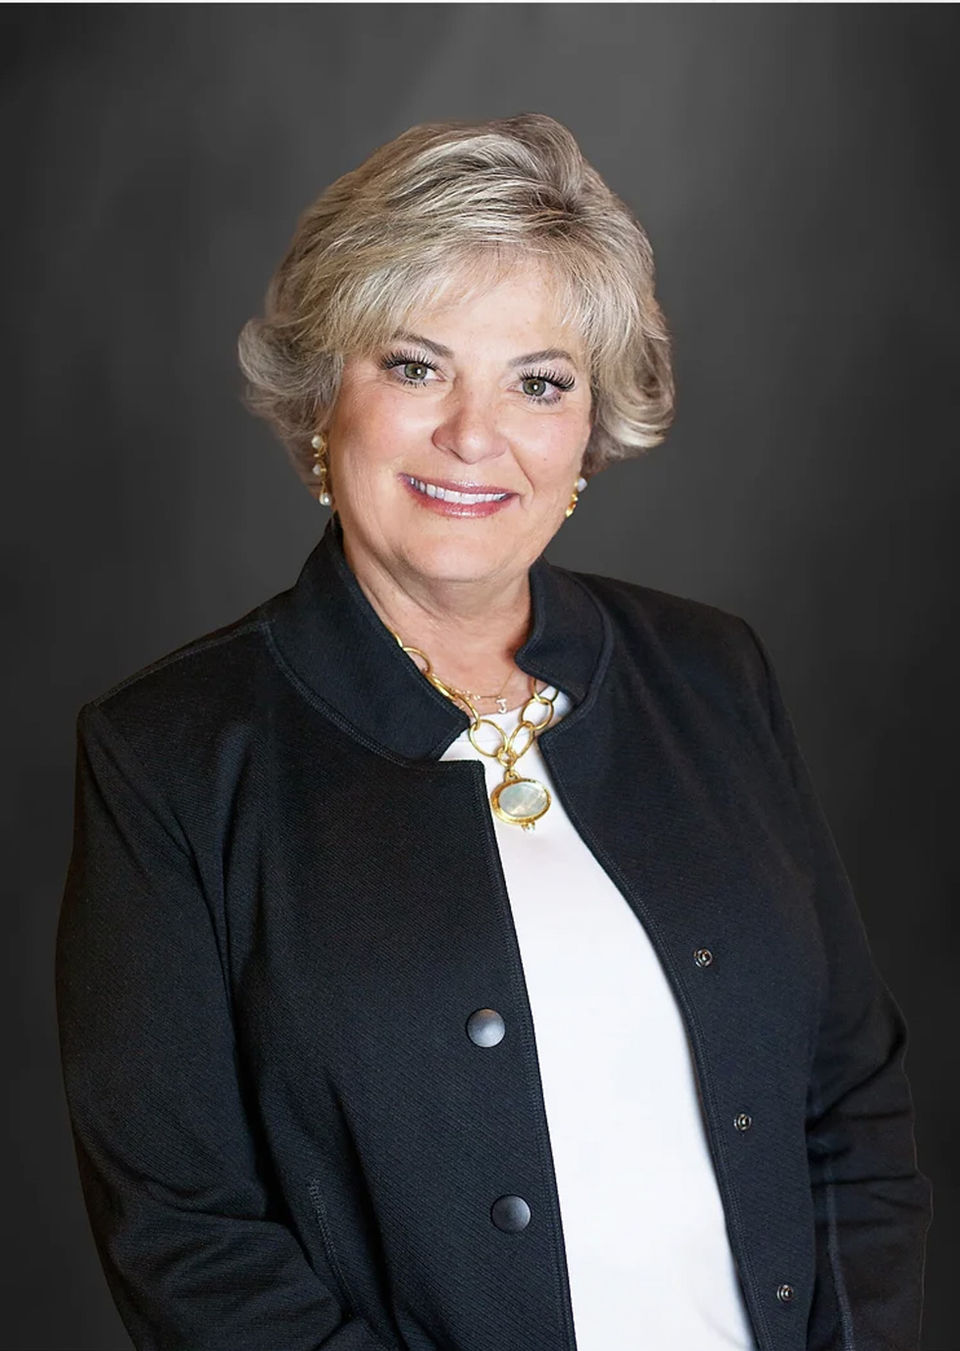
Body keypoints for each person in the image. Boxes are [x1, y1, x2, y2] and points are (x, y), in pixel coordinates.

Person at [55, 113, 932, 1351]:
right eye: (415, 367)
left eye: (540, 381)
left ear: (588, 430)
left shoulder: (709, 670)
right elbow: (184, 1230)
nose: (477, 435)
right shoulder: (173, 757)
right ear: (324, 400)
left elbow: (849, 1098)